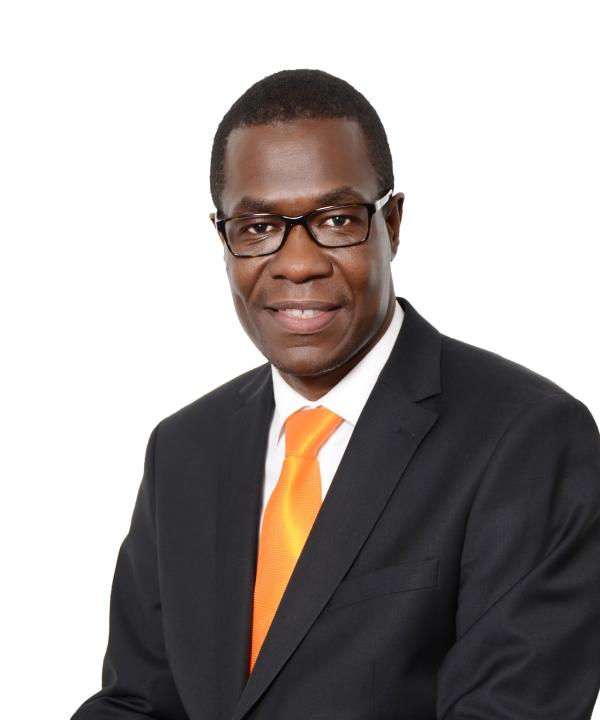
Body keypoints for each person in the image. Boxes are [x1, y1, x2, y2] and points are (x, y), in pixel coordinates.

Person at [70, 69, 600, 719]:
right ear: (224, 240)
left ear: (392, 224)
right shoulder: (183, 448)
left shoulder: (527, 439)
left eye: (336, 219)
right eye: (257, 227)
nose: (298, 263)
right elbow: (137, 703)